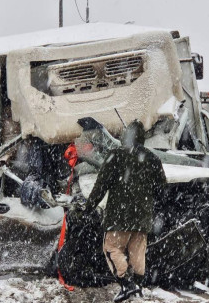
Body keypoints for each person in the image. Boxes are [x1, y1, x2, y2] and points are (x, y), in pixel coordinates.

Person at [85, 120, 166, 302]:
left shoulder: (116, 156)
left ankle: (126, 284)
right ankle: (137, 287)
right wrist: (153, 211)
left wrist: (88, 207)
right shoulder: (153, 158)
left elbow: (100, 186)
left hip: (118, 217)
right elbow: (162, 190)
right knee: (138, 254)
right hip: (143, 219)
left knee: (111, 248)